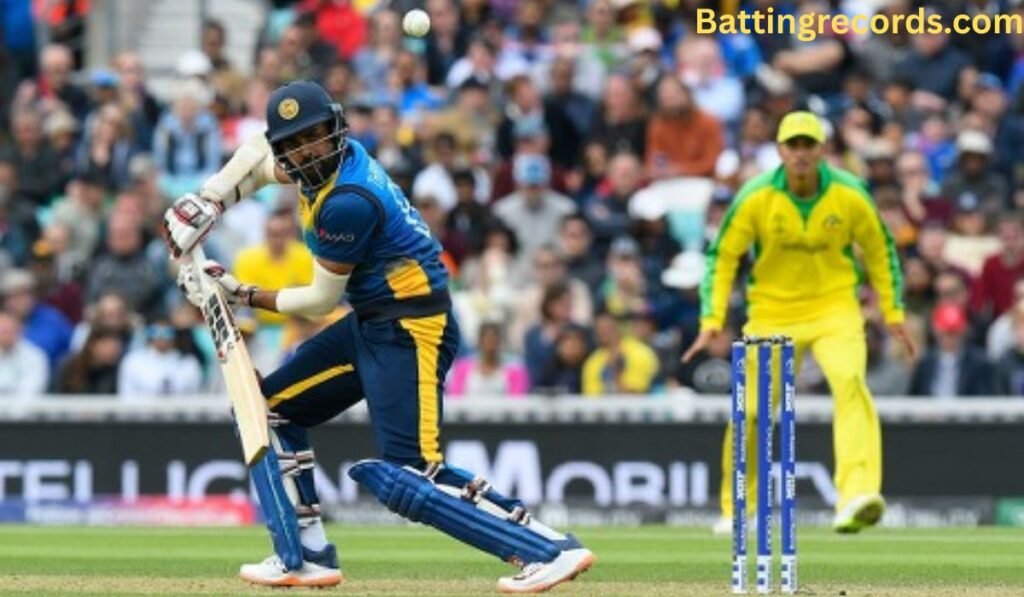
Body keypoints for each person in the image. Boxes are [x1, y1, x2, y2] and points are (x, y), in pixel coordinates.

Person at [164, 80, 593, 591]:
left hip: (414, 328)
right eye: (295, 143)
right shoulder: (318, 166)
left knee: (412, 474)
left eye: (315, 136)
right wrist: (209, 200)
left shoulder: (348, 199)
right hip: (372, 321)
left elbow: (320, 300)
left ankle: (549, 550)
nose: (308, 150)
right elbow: (257, 152)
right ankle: (306, 556)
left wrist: (241, 293)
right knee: (273, 413)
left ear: (335, 130)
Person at [682, 111, 916, 535]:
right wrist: (711, 318)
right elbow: (722, 256)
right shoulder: (756, 196)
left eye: (809, 144)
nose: (802, 153)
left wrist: (894, 312)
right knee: (752, 411)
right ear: (780, 150)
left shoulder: (849, 193)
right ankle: (739, 508)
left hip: (835, 307)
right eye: (794, 145)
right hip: (772, 311)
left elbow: (881, 251)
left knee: (851, 385)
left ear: (822, 149)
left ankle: (856, 495)